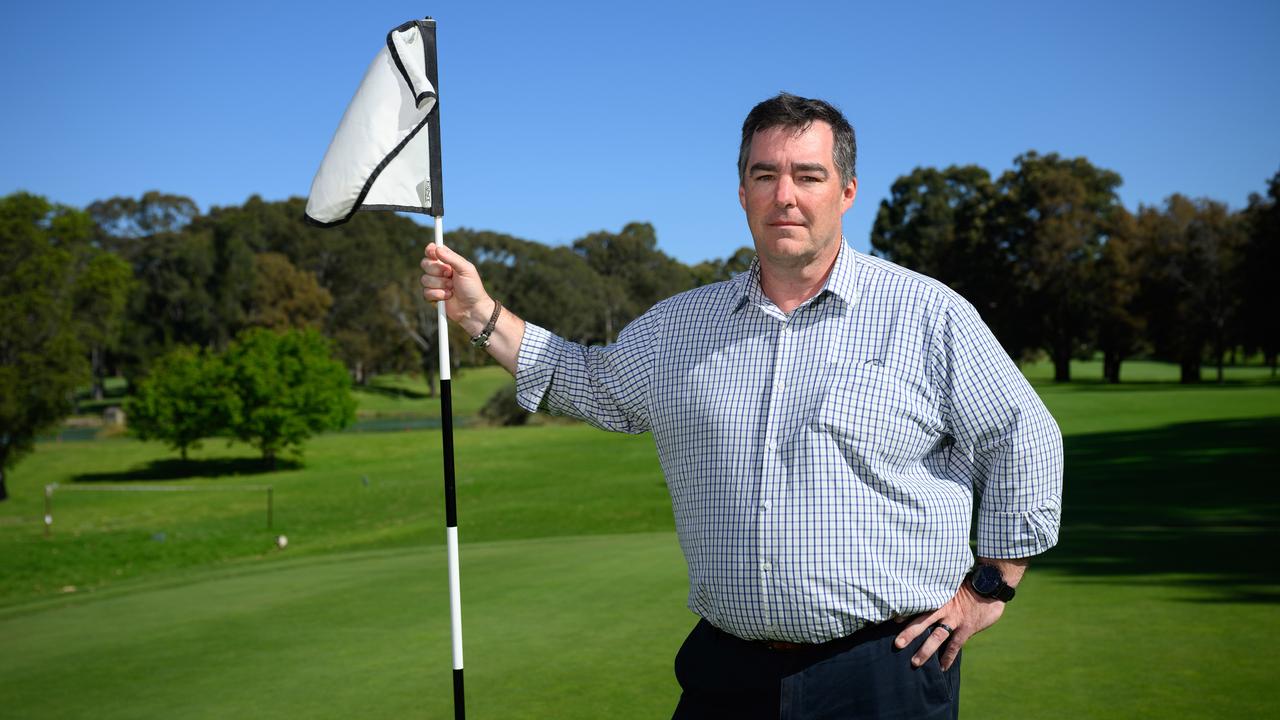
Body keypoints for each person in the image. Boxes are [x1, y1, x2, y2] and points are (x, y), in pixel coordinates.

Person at [420, 92, 1063, 719]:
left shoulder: (927, 314)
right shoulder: (680, 327)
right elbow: (586, 381)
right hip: (725, 674)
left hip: (884, 673)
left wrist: (990, 585)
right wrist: (480, 314)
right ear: (741, 192)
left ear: (846, 192)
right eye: (765, 174)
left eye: (808, 175)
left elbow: (1023, 433)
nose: (785, 195)